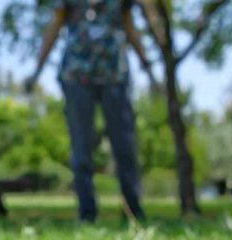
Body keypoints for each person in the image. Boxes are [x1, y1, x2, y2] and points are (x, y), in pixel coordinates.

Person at [31, 0, 154, 222]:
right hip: (77, 74)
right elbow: (54, 27)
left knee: (124, 145)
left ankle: (133, 210)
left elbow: (130, 26)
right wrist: (38, 68)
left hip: (115, 74)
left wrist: (145, 60)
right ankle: (87, 212)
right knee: (81, 147)